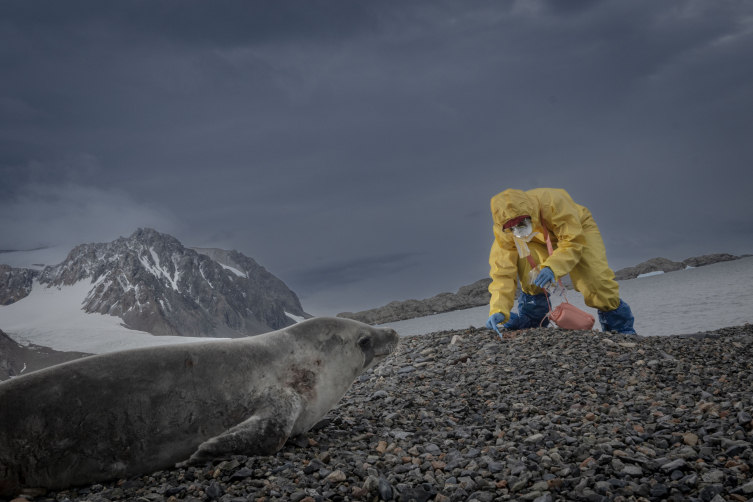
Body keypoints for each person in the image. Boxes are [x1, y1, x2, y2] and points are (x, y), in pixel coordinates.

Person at [485, 188, 636, 335]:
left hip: (578, 230)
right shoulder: (505, 234)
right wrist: (498, 309)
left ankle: (619, 327)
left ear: (530, 214)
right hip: (536, 240)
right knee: (529, 274)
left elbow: (572, 241)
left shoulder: (553, 202)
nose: (517, 231)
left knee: (595, 279)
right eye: (511, 228)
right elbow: (502, 273)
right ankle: (533, 318)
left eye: (521, 224)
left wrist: (552, 267)